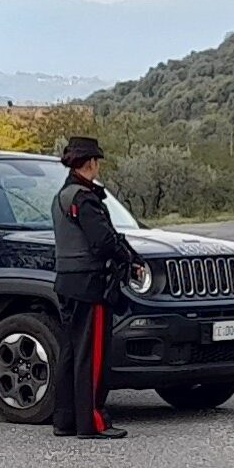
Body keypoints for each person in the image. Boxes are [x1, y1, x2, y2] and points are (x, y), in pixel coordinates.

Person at [51, 136, 141, 440]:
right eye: (97, 161)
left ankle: (64, 420)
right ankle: (92, 422)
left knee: (71, 353)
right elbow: (102, 241)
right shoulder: (84, 197)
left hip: (67, 282)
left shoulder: (63, 195)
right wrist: (128, 257)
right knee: (92, 356)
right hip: (90, 285)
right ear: (90, 162)